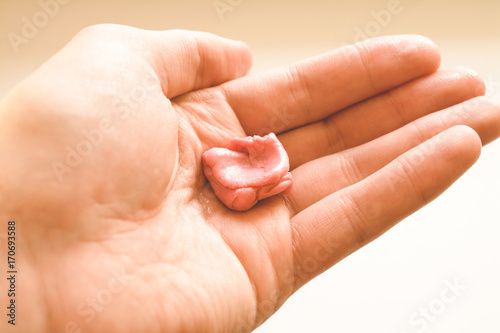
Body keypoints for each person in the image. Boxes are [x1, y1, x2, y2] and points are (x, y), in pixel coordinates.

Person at [0, 24, 499, 333]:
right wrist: (22, 235)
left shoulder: (249, 164)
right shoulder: (230, 168)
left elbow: (13, 291)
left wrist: (21, 256)